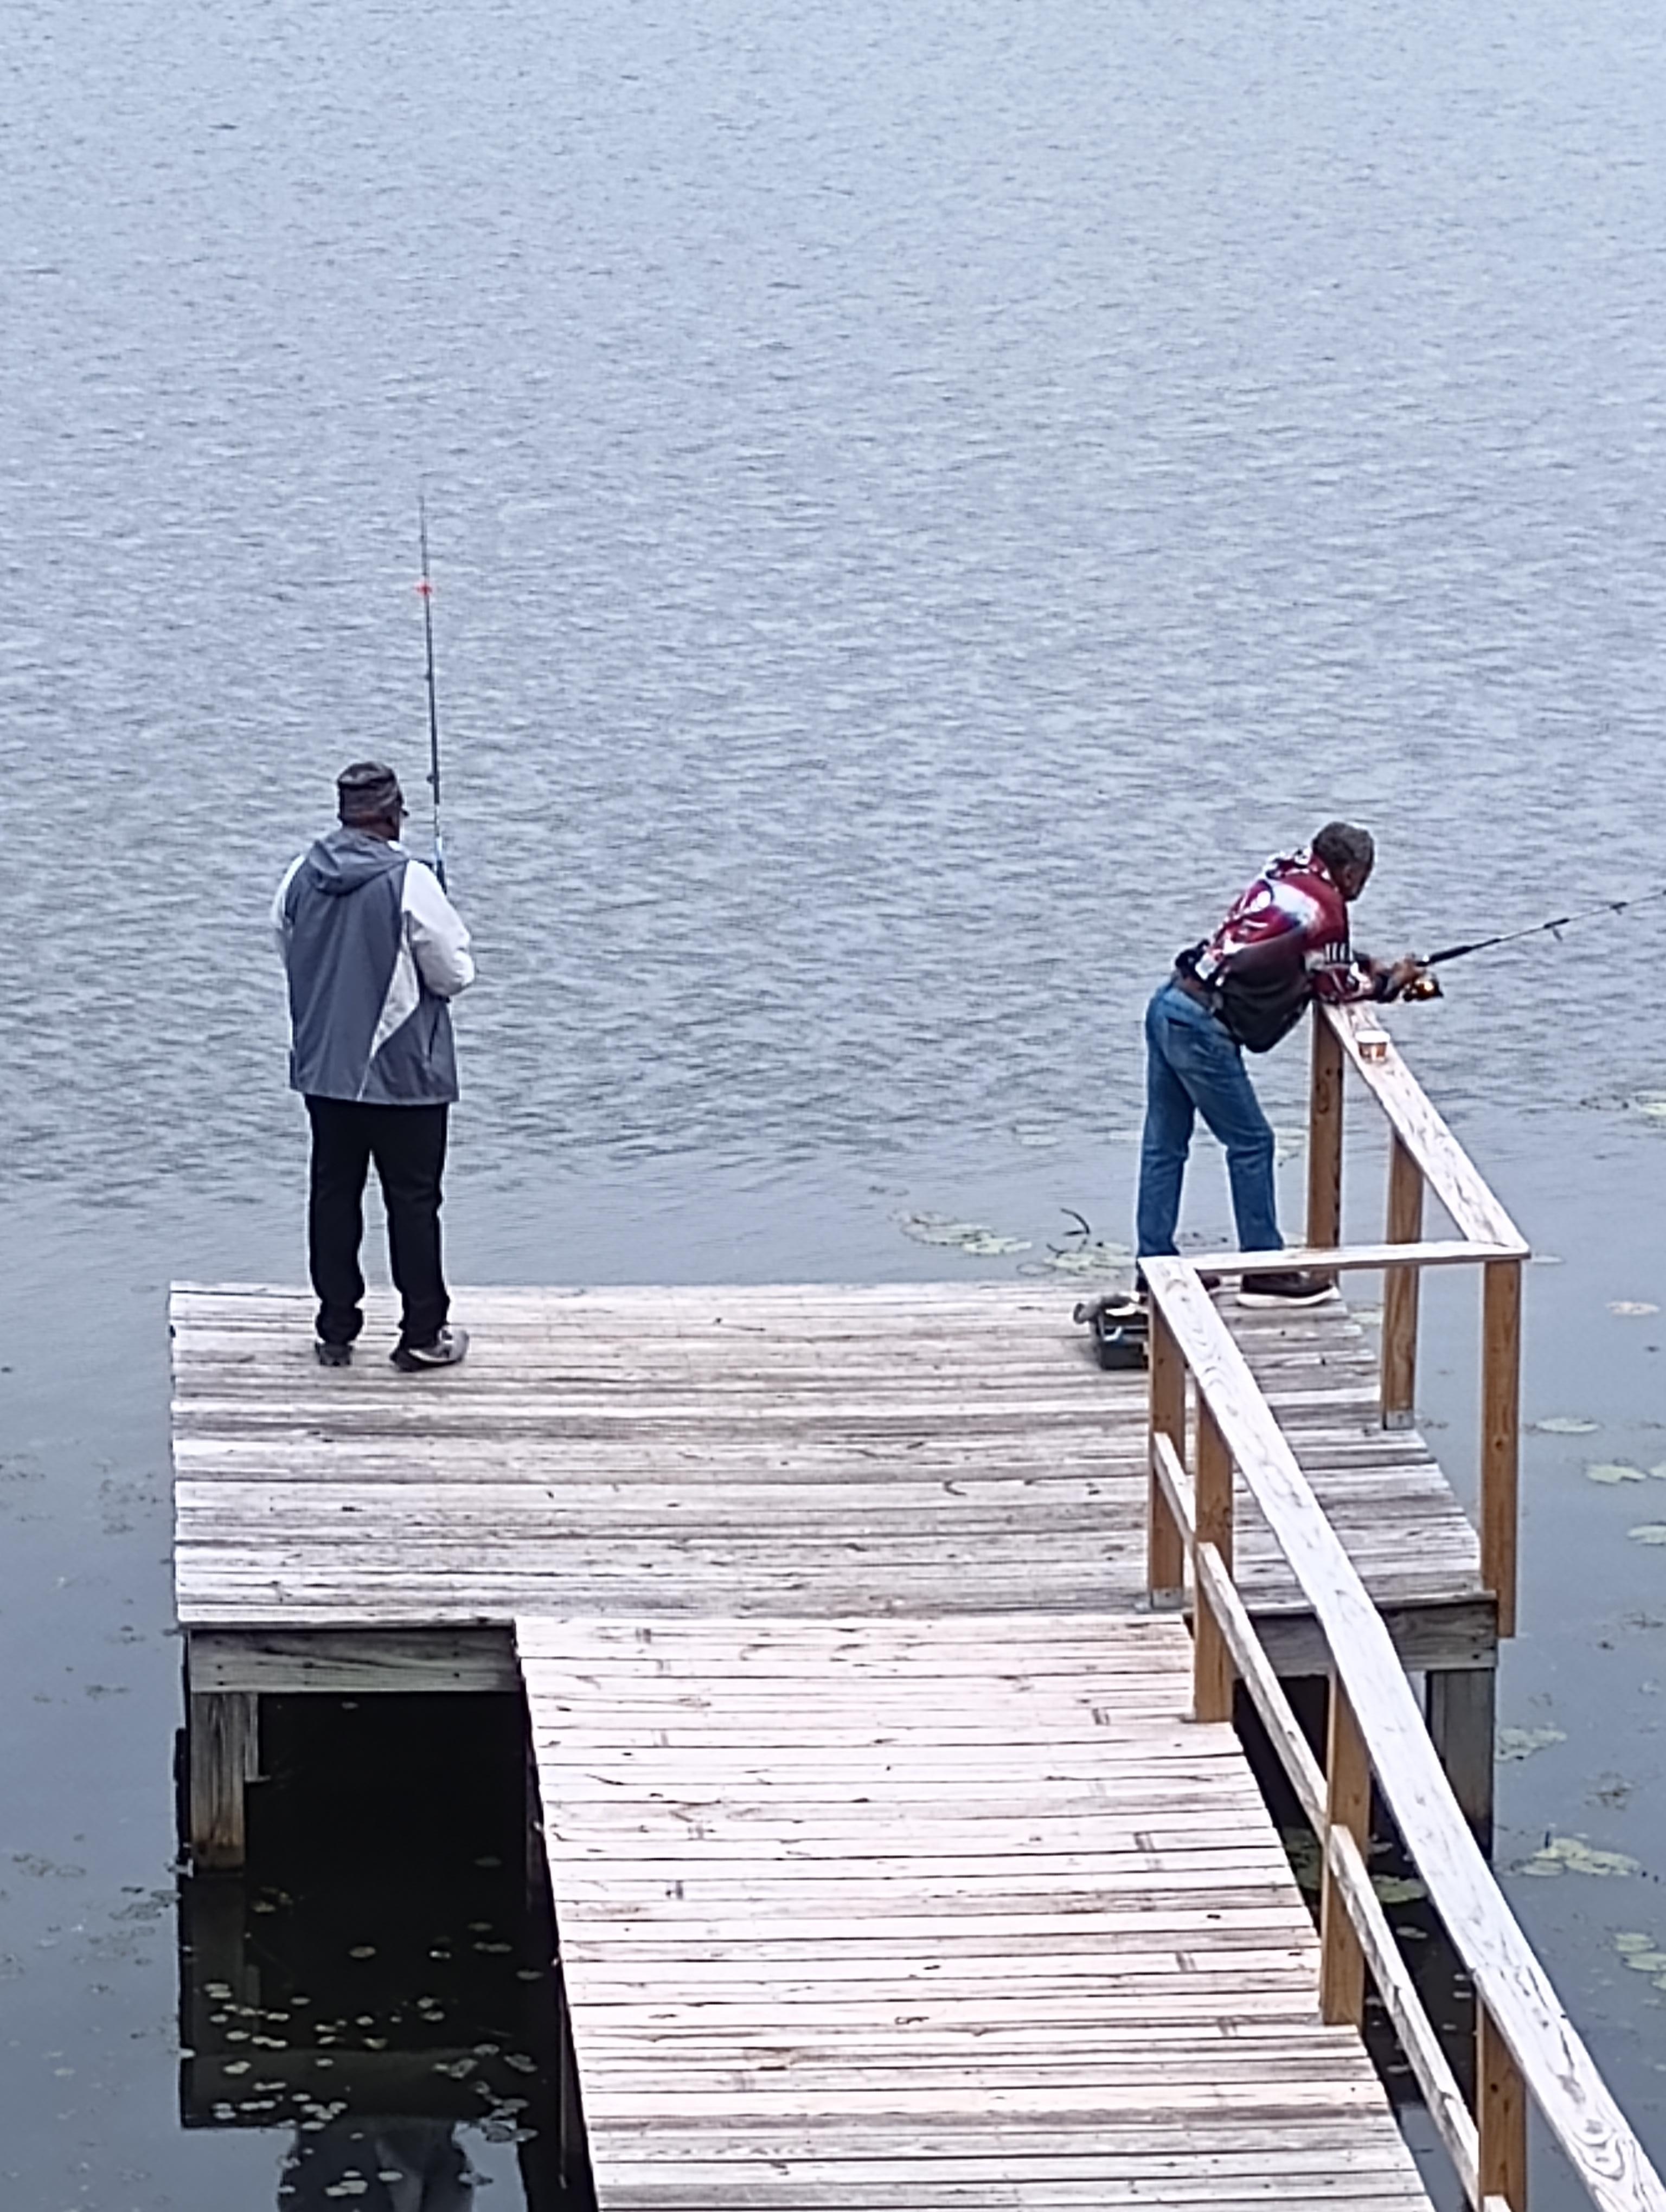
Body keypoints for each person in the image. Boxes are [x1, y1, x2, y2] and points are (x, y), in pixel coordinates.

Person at [1135, 822, 1422, 1307]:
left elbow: (1298, 948)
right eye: (1365, 877)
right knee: (1252, 1142)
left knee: (1165, 1144)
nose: (1363, 888)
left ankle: (1154, 1263)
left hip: (1171, 1002)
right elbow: (1335, 987)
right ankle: (1264, 1270)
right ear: (1350, 872)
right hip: (1203, 1028)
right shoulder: (1329, 909)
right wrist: (1391, 982)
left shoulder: (1284, 872)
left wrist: (1364, 961)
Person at [273, 762, 475, 1370]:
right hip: (402, 1073)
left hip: (325, 1073)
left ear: (344, 814)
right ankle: (421, 1334)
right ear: (392, 816)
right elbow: (453, 973)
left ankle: (336, 1328)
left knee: (334, 1193)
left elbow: (286, 945)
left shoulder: (299, 875)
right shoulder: (410, 879)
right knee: (412, 1201)